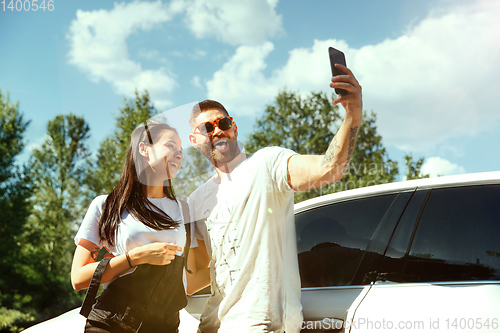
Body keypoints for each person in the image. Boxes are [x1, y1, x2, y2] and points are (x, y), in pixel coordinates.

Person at [186, 64, 363, 333]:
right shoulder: (196, 201)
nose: (217, 131)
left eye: (223, 124)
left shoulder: (267, 164)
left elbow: (330, 168)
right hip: (212, 325)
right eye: (206, 128)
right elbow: (195, 274)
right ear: (193, 139)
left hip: (259, 324)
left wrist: (352, 116)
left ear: (233, 128)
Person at [71, 122, 205, 333]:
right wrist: (135, 258)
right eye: (170, 146)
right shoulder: (106, 206)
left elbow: (195, 277)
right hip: (110, 324)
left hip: (164, 326)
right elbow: (78, 278)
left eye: (180, 151)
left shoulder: (185, 211)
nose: (178, 155)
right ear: (144, 149)